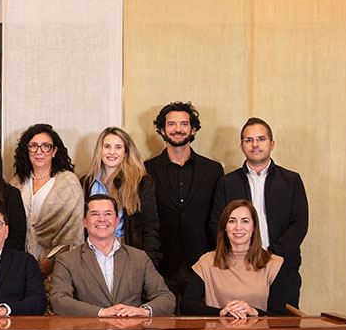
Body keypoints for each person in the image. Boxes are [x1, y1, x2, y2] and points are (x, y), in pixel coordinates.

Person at [211, 118, 307, 307]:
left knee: (283, 329)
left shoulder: (291, 181)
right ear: (241, 146)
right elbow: (217, 223)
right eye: (249, 140)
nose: (255, 144)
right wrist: (239, 257)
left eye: (261, 139)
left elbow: (299, 224)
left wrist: (271, 255)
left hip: (282, 267)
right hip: (237, 270)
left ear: (272, 144)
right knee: (239, 327)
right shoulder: (227, 182)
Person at [144, 101, 224, 298]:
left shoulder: (213, 170)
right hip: (160, 263)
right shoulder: (147, 169)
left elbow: (219, 217)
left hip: (203, 262)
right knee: (162, 326)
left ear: (193, 129)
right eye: (171, 124)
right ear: (162, 130)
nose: (177, 129)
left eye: (184, 124)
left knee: (199, 326)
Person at [49, 194, 175, 316]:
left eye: (108, 213)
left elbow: (166, 298)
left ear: (117, 221)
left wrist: (143, 311)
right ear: (84, 222)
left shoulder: (139, 257)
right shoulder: (66, 260)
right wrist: (101, 312)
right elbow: (58, 301)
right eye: (95, 214)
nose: (102, 219)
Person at [181, 199, 287, 317]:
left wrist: (253, 312)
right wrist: (221, 312)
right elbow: (186, 304)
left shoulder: (274, 264)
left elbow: (279, 315)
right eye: (232, 221)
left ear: (254, 227)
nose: (238, 227)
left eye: (245, 221)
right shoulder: (207, 261)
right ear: (225, 227)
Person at [9, 124, 84, 277]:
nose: (39, 152)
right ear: (27, 150)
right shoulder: (16, 182)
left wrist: (48, 263)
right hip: (20, 263)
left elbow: (73, 231)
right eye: (33, 146)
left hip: (59, 264)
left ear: (54, 151)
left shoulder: (68, 182)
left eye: (46, 146)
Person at [81, 127, 161, 267]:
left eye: (118, 147)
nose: (112, 152)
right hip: (92, 253)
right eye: (107, 146)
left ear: (126, 152)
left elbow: (150, 227)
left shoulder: (141, 183)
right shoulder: (86, 183)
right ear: (100, 150)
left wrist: (150, 263)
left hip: (127, 252)